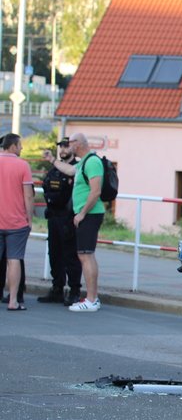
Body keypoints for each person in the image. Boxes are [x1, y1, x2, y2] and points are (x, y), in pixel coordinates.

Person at [50, 133, 104, 312]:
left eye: (71, 142)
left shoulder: (93, 162)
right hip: (86, 214)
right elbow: (69, 170)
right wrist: (52, 160)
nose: (68, 145)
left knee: (86, 255)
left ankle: (91, 299)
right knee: (84, 255)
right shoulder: (84, 162)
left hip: (90, 215)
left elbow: (95, 191)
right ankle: (92, 298)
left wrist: (81, 213)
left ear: (79, 143)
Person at [37, 138, 83, 305]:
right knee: (54, 254)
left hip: (68, 218)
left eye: (66, 146)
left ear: (72, 148)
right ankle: (57, 289)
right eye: (60, 147)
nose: (63, 149)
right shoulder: (54, 170)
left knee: (71, 255)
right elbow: (47, 188)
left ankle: (74, 291)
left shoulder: (76, 168)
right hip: (54, 218)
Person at [0, 132, 34, 311]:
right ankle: (13, 301)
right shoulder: (23, 165)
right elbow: (28, 195)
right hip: (16, 223)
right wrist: (30, 219)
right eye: (20, 145)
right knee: (14, 260)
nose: (21, 148)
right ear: (13, 146)